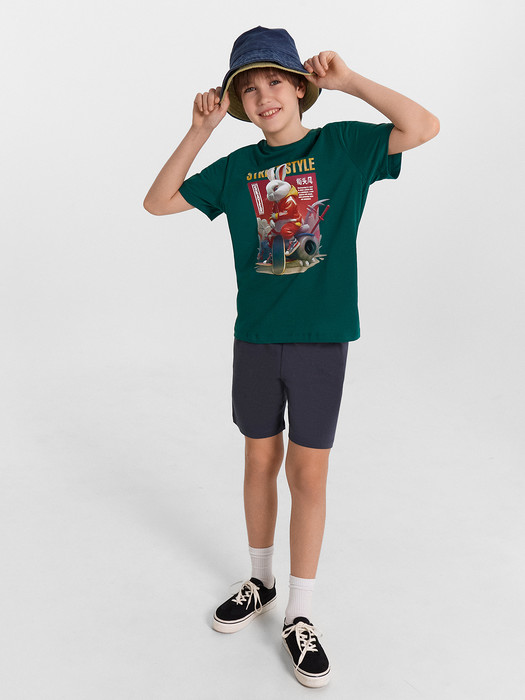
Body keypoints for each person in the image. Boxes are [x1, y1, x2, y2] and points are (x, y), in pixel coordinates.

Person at [143, 25, 439, 688]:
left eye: (274, 81)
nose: (262, 96)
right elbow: (157, 202)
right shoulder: (237, 168)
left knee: (307, 476)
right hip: (255, 338)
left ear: (301, 87)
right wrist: (200, 130)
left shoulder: (341, 147)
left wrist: (351, 82)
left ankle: (300, 611)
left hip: (319, 341)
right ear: (238, 103)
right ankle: (261, 581)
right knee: (258, 460)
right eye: (247, 89)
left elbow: (423, 126)